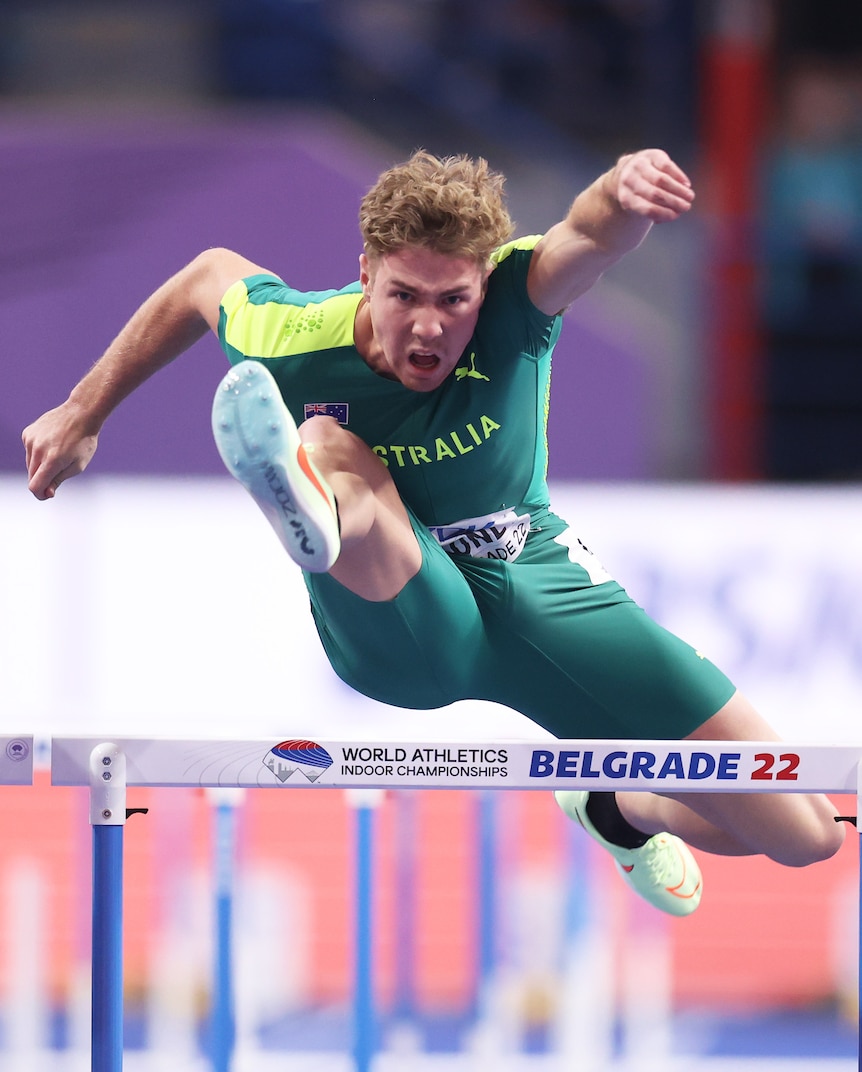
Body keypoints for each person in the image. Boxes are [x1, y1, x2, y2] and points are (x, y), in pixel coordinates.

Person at [22, 148, 844, 916]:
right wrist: (82, 409)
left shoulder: (517, 303)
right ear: (364, 276)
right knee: (327, 444)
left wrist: (624, 185)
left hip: (536, 582)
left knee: (804, 833)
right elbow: (203, 277)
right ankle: (311, 512)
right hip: (405, 610)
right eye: (403, 296)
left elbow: (589, 232)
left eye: (453, 300)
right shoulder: (290, 332)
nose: (427, 327)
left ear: (483, 286)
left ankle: (616, 805)